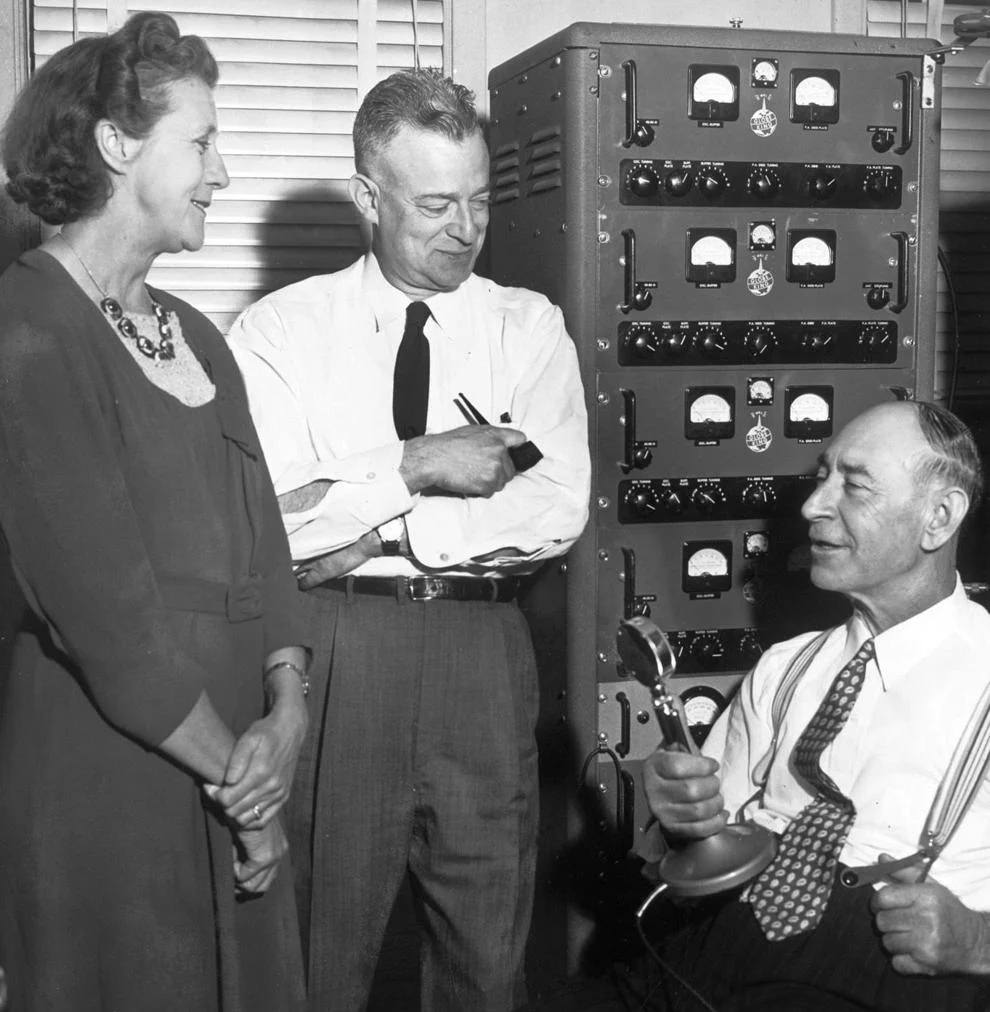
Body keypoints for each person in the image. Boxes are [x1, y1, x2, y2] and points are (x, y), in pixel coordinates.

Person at [227, 67, 590, 1011]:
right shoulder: (279, 334)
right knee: (318, 950)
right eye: (434, 203)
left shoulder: (528, 328)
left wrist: (373, 520)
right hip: (341, 650)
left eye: (477, 201)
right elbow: (273, 522)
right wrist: (421, 466)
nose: (463, 229)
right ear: (367, 196)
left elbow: (555, 509)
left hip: (483, 653)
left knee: (485, 958)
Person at [0, 13, 310, 1011]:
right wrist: (246, 790)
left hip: (241, 760)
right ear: (116, 146)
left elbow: (266, 545)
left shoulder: (197, 337)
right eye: (204, 142)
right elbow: (109, 620)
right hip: (113, 779)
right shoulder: (29, 328)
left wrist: (289, 712)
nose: (222, 175)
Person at [641, 400, 990, 1011]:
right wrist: (683, 821)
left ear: (938, 519)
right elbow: (706, 837)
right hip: (724, 939)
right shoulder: (786, 665)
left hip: (897, 971)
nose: (811, 506)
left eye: (853, 485)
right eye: (822, 476)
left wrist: (979, 944)